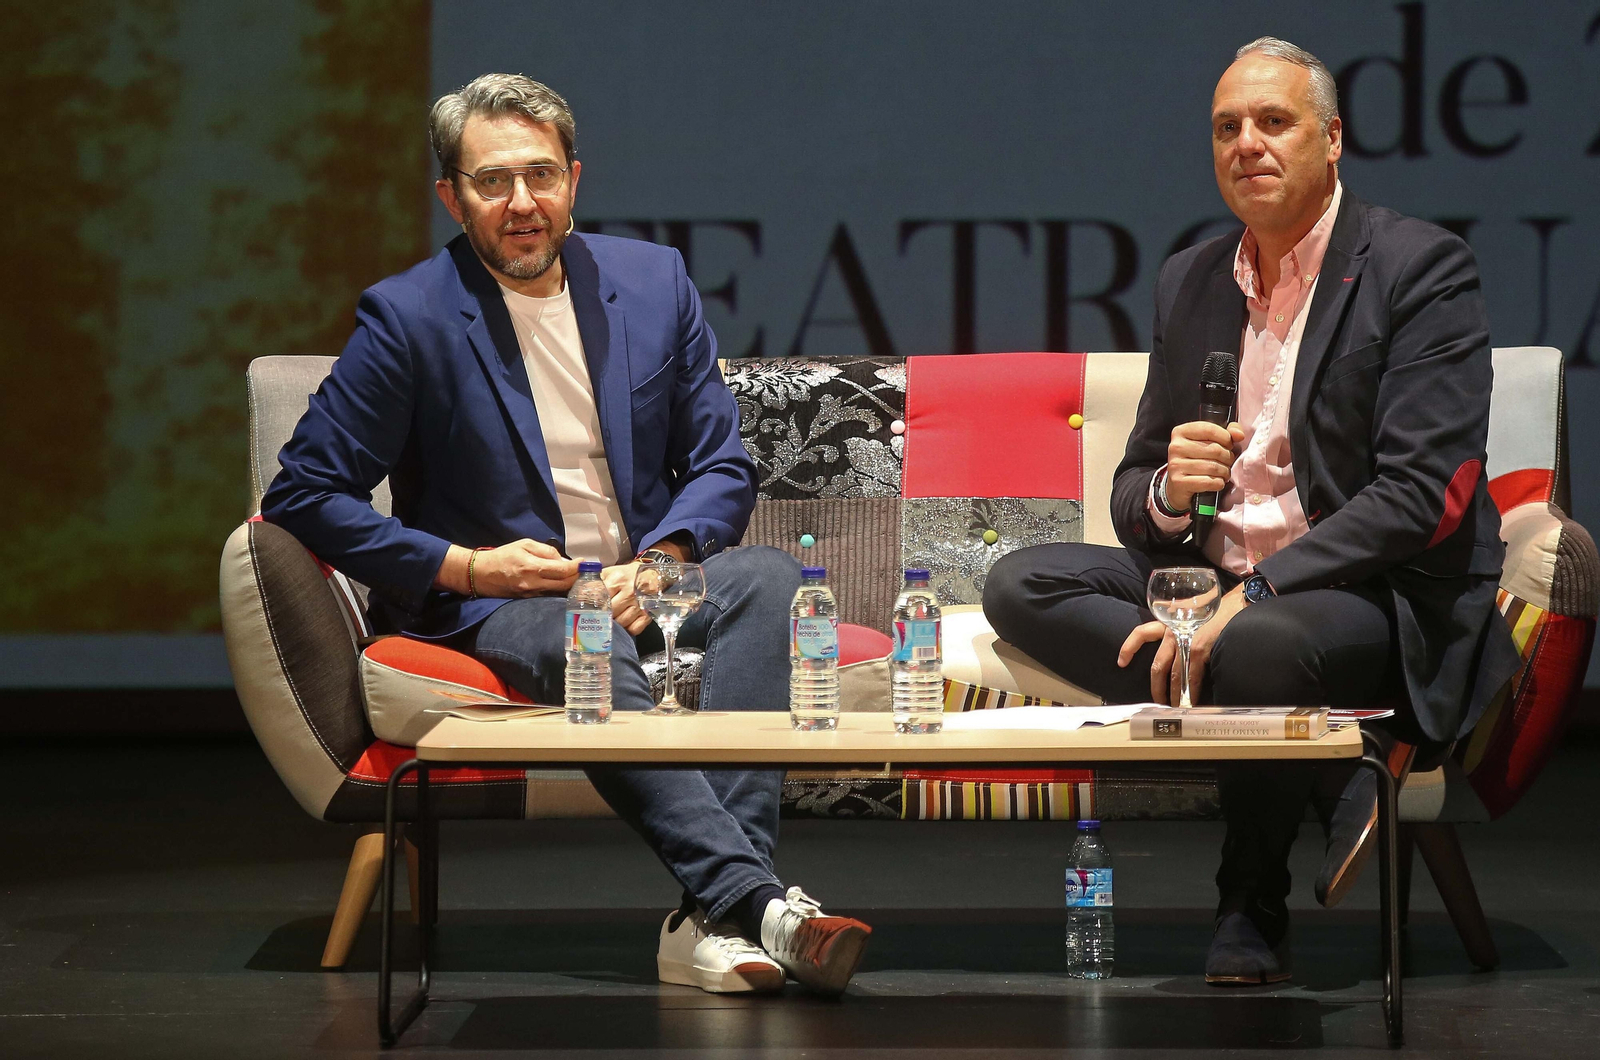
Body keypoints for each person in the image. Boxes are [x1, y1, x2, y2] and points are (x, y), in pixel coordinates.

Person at [262, 73, 870, 996]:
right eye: (493, 182)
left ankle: (710, 916)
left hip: (642, 580)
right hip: (511, 602)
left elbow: (719, 466)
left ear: (574, 180)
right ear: (451, 196)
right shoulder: (410, 317)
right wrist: (465, 566)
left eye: (541, 177)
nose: (521, 204)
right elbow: (304, 489)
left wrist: (663, 562)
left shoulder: (651, 281)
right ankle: (755, 904)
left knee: (772, 582)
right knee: (584, 638)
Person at [983, 38, 1519, 985]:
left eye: (1275, 122)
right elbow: (1135, 492)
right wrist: (1166, 490)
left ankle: (1249, 902)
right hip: (1219, 581)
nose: (1248, 145)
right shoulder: (1191, 279)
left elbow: (1420, 498)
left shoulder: (1419, 269)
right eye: (1228, 127)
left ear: (1333, 139)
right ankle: (1334, 757)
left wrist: (1256, 592)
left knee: (1259, 645)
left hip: (1368, 594)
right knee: (1022, 581)